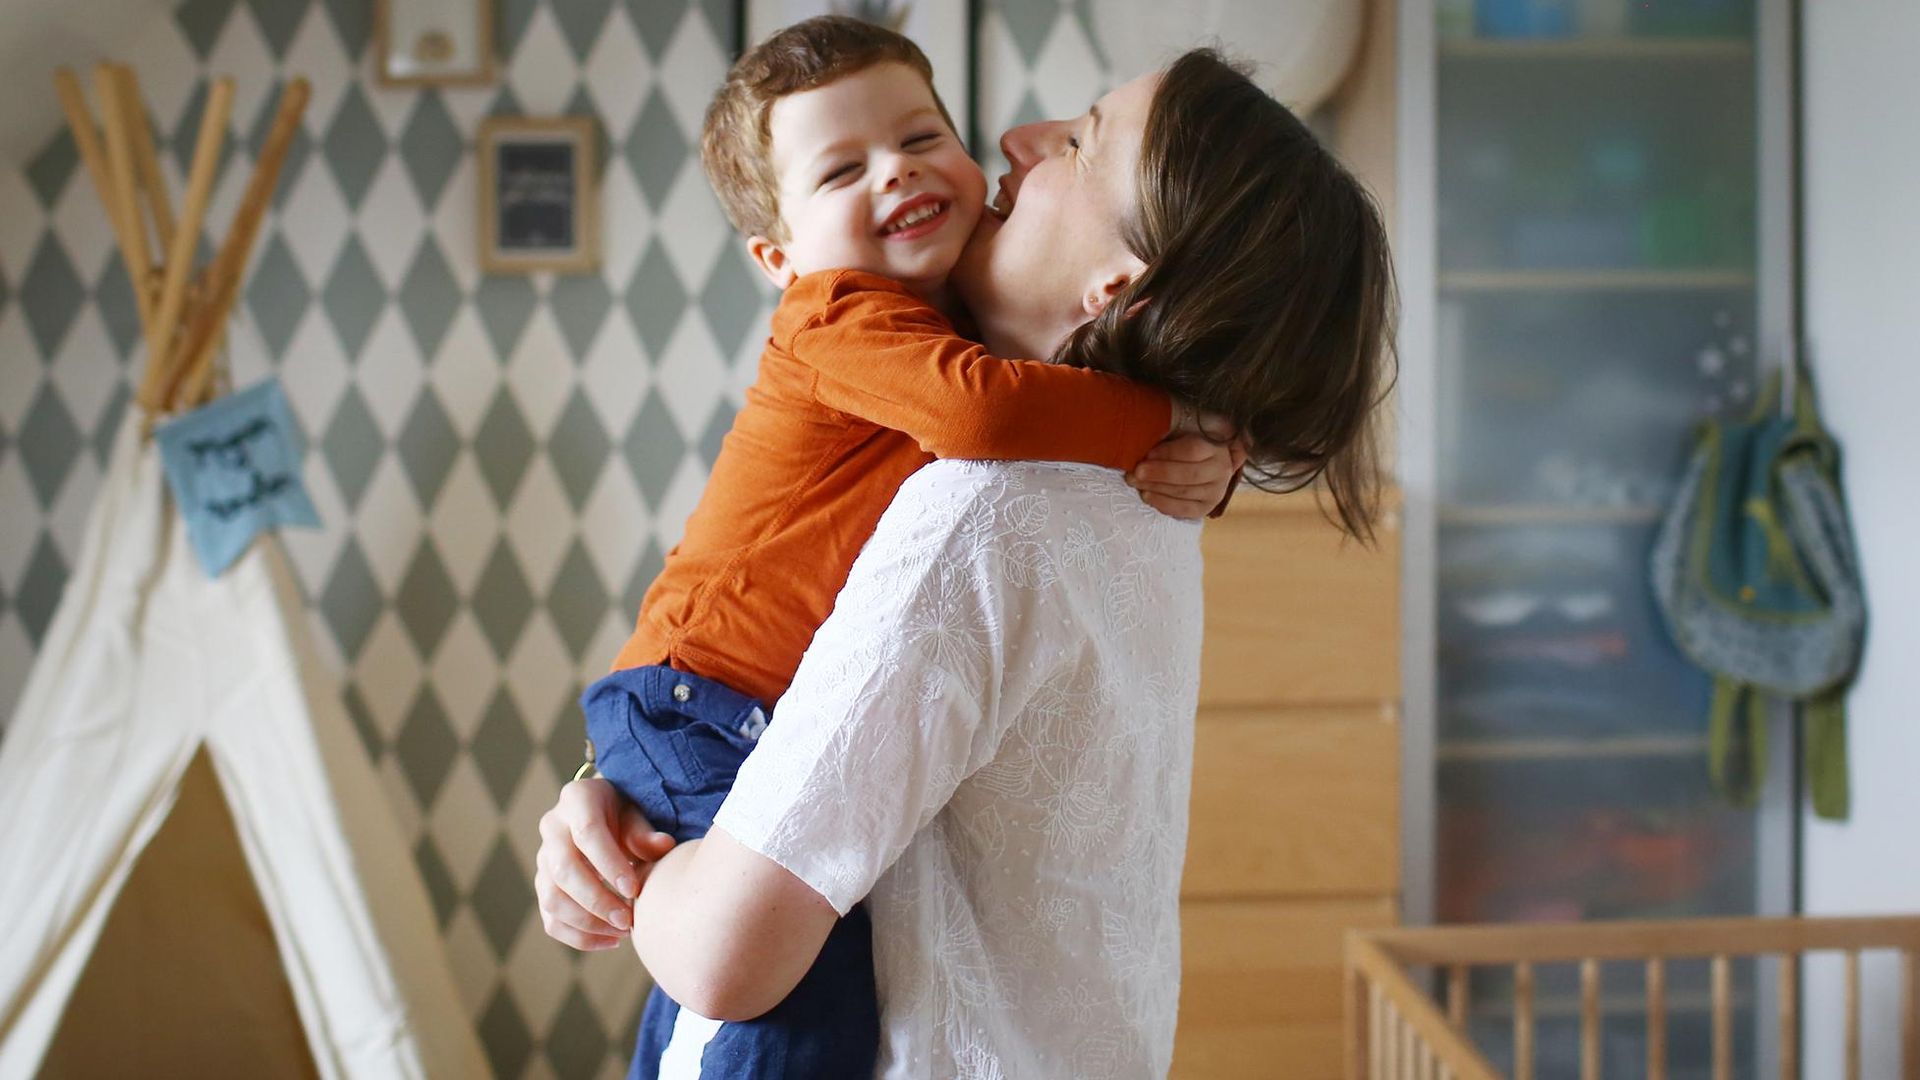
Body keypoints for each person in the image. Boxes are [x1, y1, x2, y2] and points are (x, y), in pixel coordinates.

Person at [539, 46, 1396, 1078]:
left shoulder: (986, 510)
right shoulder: (1146, 492)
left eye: (1077, 143)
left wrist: (642, 864)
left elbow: (729, 956)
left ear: (1116, 283)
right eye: (841, 169)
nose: (1016, 143)